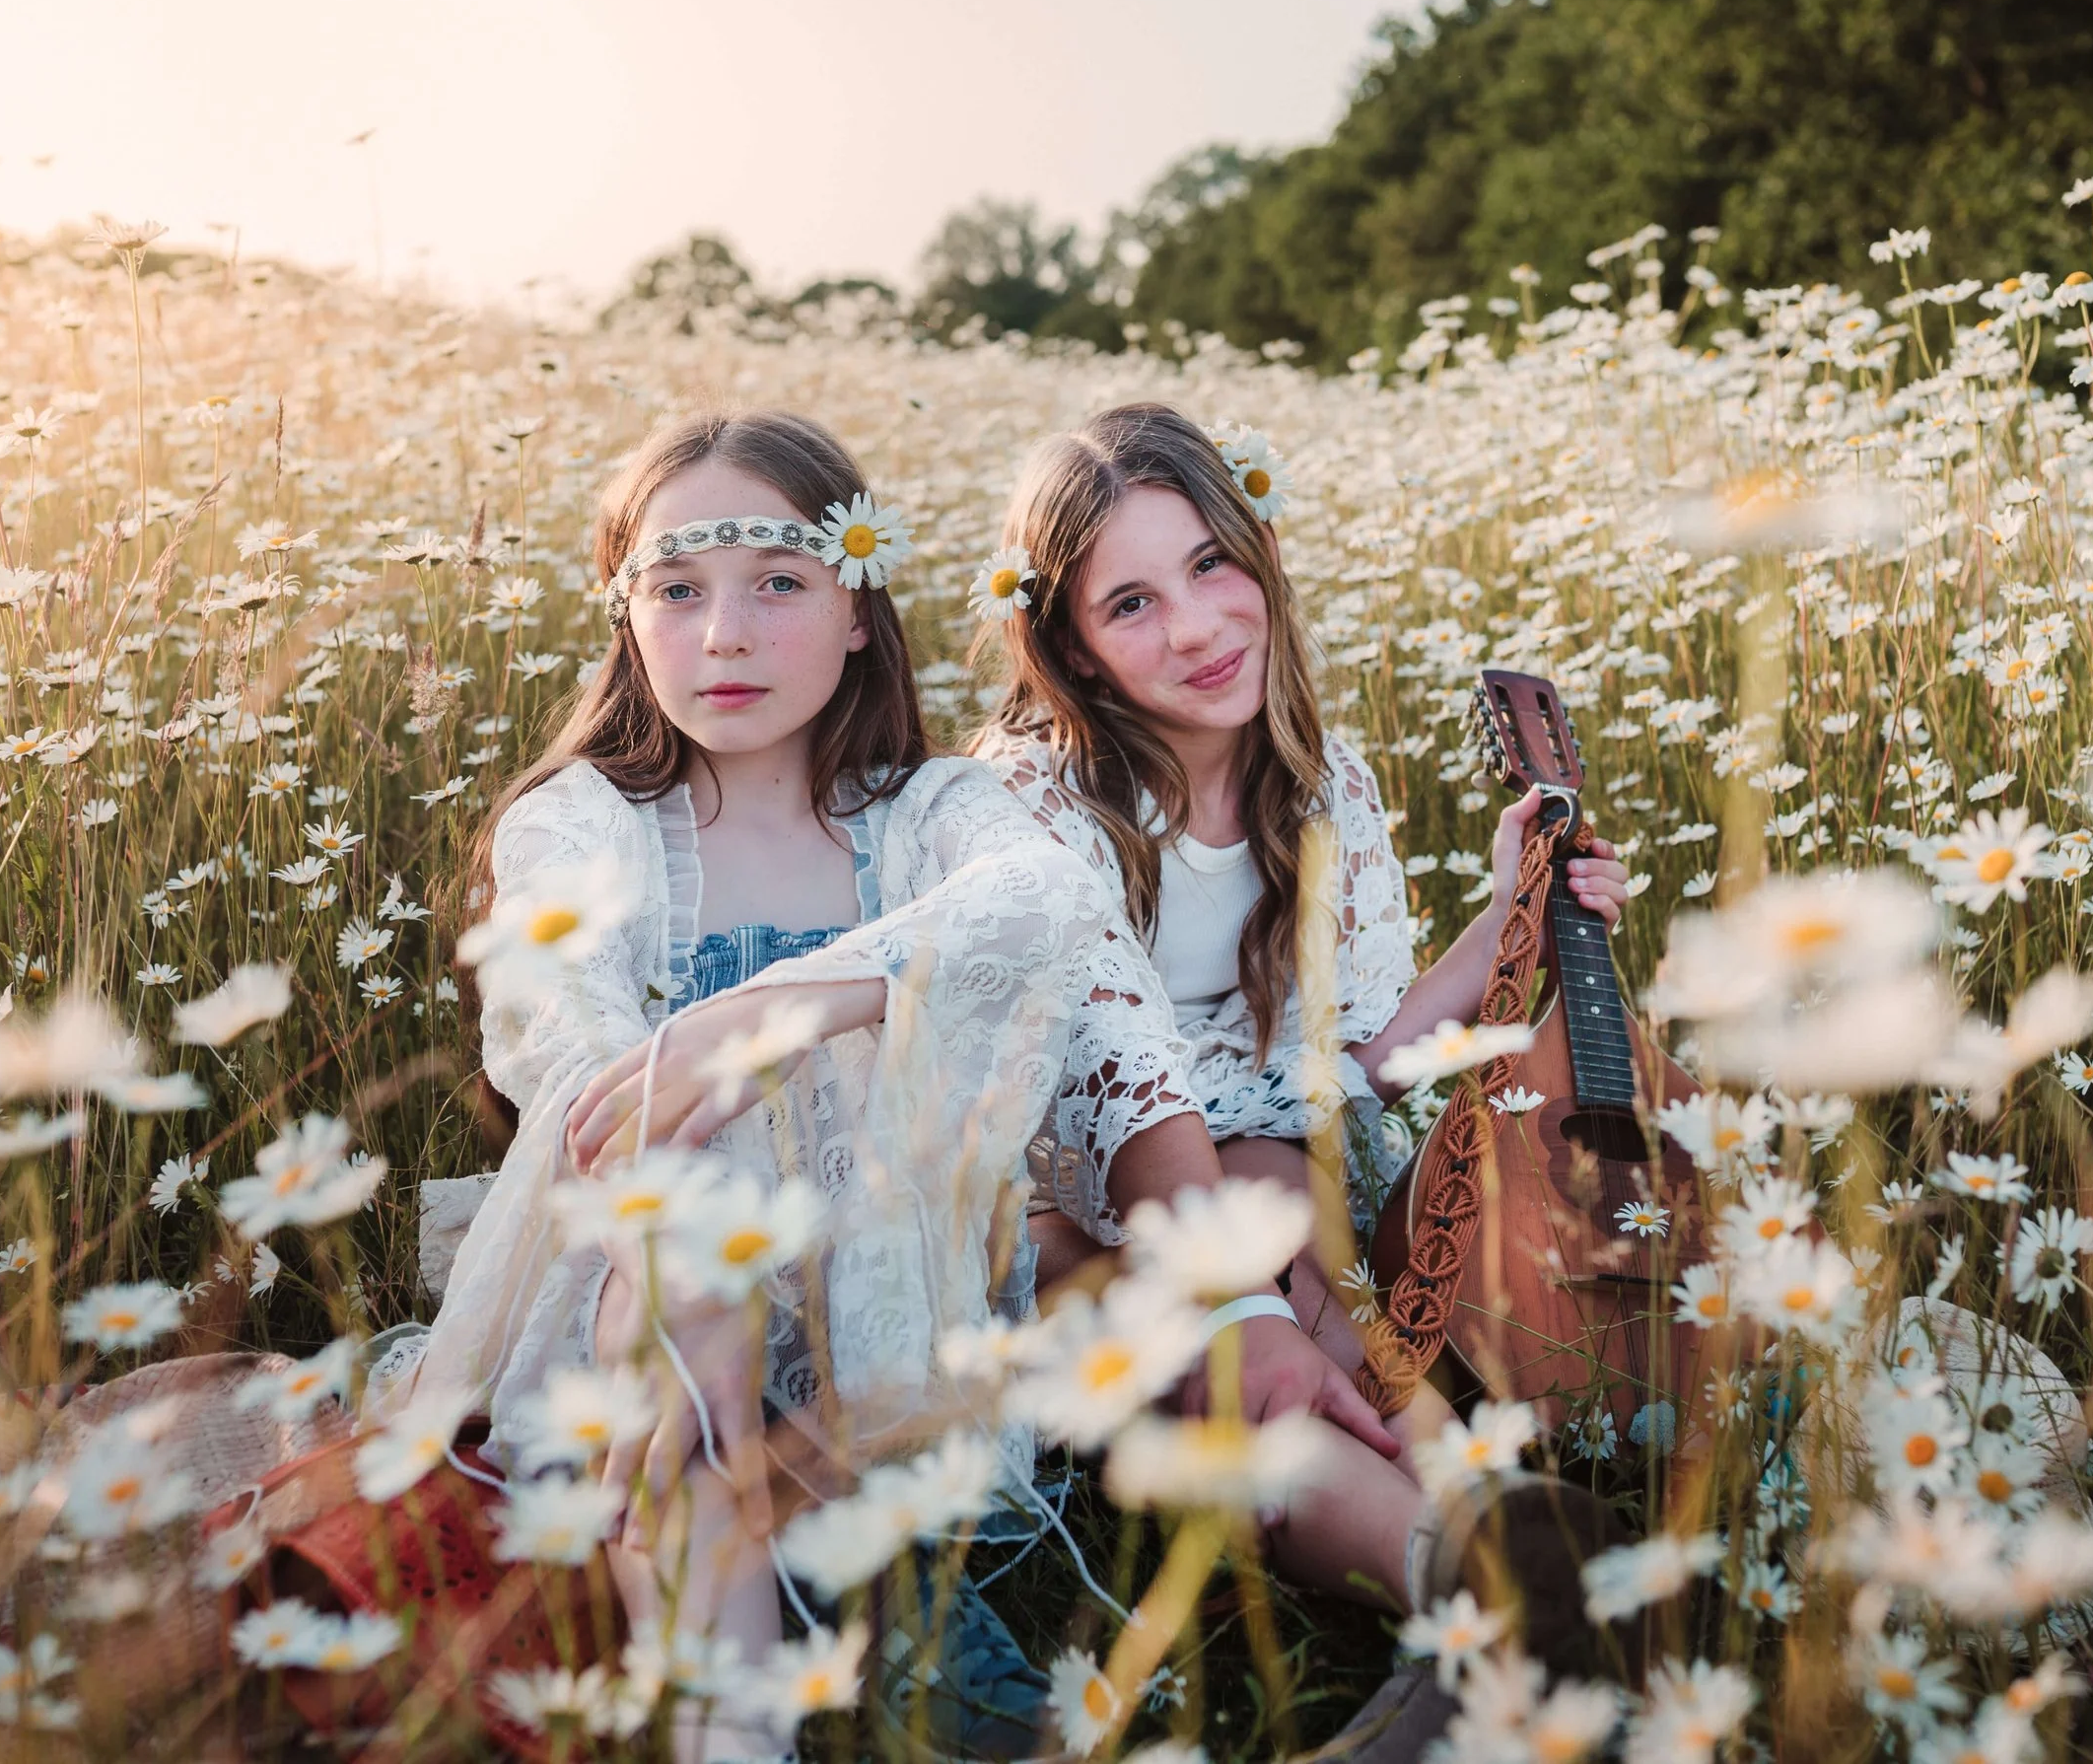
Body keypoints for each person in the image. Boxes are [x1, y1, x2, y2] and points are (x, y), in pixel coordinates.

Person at [382, 409, 1386, 1759]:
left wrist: (794, 998)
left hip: (885, 1339)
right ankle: (730, 1719)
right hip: (659, 1296)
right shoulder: (579, 823)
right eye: (678, 590)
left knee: (962, 1627)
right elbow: (566, 1046)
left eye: (778, 584)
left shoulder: (928, 814)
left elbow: (1040, 901)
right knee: (678, 1414)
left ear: (860, 610)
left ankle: (1440, 1574)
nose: (725, 634)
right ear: (626, 618)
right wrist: (691, 1257)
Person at [970, 401, 1640, 1677]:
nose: (1195, 628)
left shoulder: (1321, 784)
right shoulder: (1028, 804)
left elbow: (1357, 1064)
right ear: (1070, 645)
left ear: (1257, 553)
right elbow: (1090, 1098)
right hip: (1065, 1186)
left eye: (1211, 565)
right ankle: (1484, 1598)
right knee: (1222, 1345)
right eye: (1131, 604)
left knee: (1335, 1310)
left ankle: (1516, 1561)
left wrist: (1511, 915)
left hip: (1254, 1161)